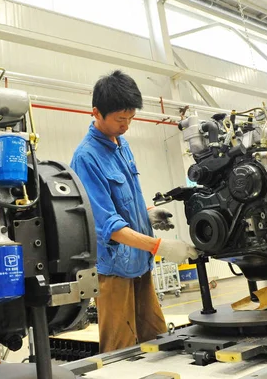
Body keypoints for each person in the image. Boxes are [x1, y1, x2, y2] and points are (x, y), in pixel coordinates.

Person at [70, 70, 199, 353]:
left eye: (130, 118)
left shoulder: (122, 144)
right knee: (121, 350)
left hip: (139, 263)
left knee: (159, 340)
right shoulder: (86, 157)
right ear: (96, 113)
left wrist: (147, 212)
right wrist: (160, 246)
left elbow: (126, 197)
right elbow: (109, 226)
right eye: (120, 119)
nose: (126, 126)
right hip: (114, 269)